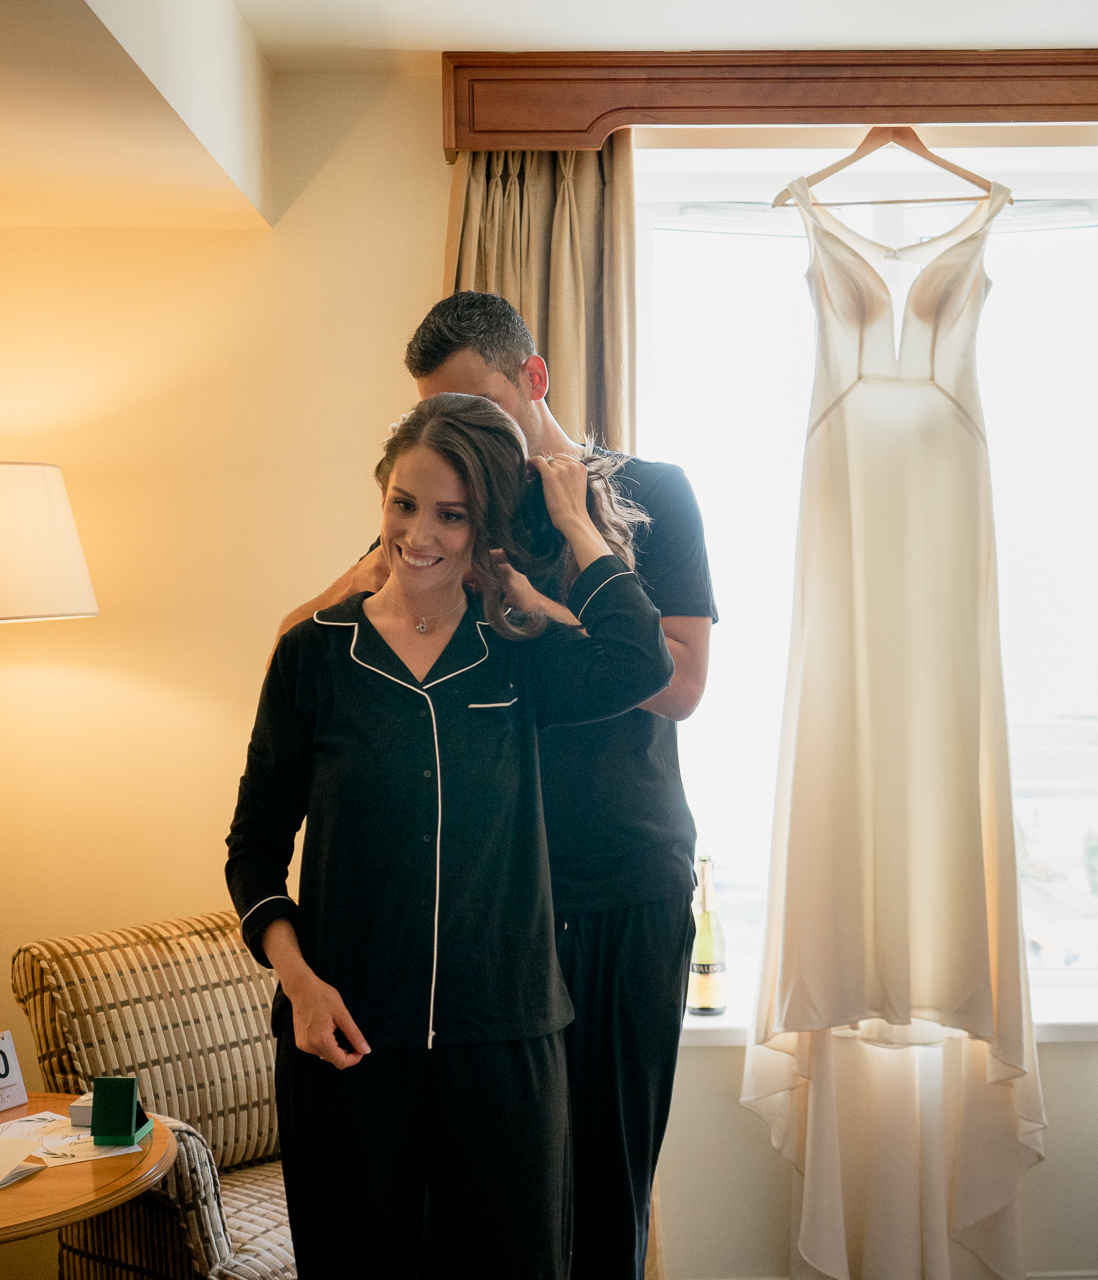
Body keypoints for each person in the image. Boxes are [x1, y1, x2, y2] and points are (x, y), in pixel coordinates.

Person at [281, 293, 717, 1278]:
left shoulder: (648, 490)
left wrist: (541, 581)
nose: (467, 435)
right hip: (494, 905)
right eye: (441, 415)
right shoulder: (447, 513)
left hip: (621, 885)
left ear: (534, 378)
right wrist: (396, 547)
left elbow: (678, 681)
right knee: (499, 1209)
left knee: (605, 1186)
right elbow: (302, 648)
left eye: (481, 406)